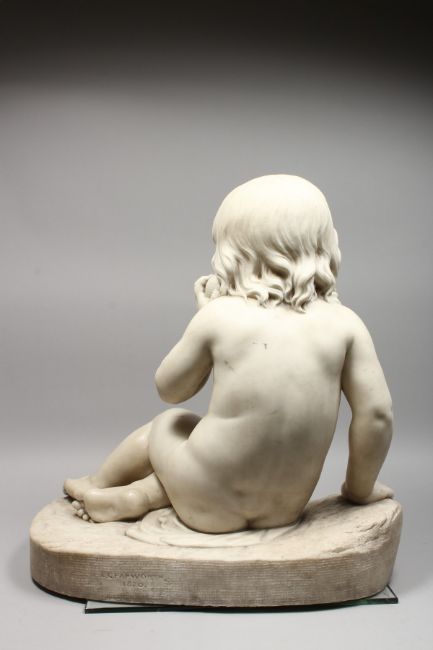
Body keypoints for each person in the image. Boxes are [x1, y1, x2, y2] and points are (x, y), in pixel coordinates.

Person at [64, 175, 394, 532]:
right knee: (206, 460)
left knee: (171, 422)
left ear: (233, 251)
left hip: (205, 502)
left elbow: (170, 390)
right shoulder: (346, 324)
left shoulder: (220, 315)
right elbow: (377, 416)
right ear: (324, 244)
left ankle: (98, 485)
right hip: (283, 509)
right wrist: (359, 490)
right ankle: (139, 497)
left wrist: (203, 318)